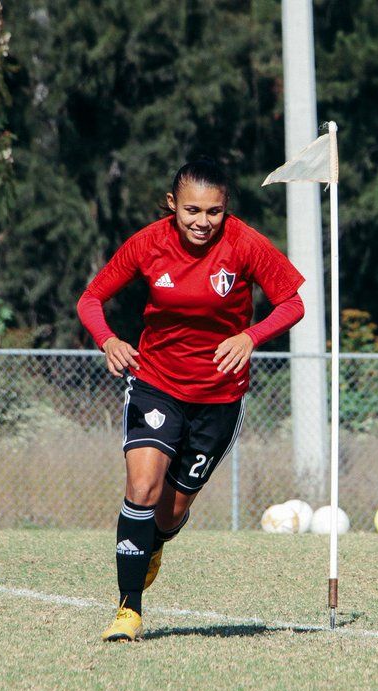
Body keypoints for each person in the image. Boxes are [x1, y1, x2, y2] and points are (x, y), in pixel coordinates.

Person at [76, 158, 305, 641]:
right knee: (142, 489)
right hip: (156, 381)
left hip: (220, 398)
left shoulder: (245, 243)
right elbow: (91, 298)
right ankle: (128, 610)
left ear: (226, 210)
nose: (203, 222)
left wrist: (251, 336)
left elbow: (293, 302)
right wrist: (108, 340)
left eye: (214, 212)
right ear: (172, 205)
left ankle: (154, 542)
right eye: (192, 210)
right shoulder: (147, 243)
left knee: (171, 511)